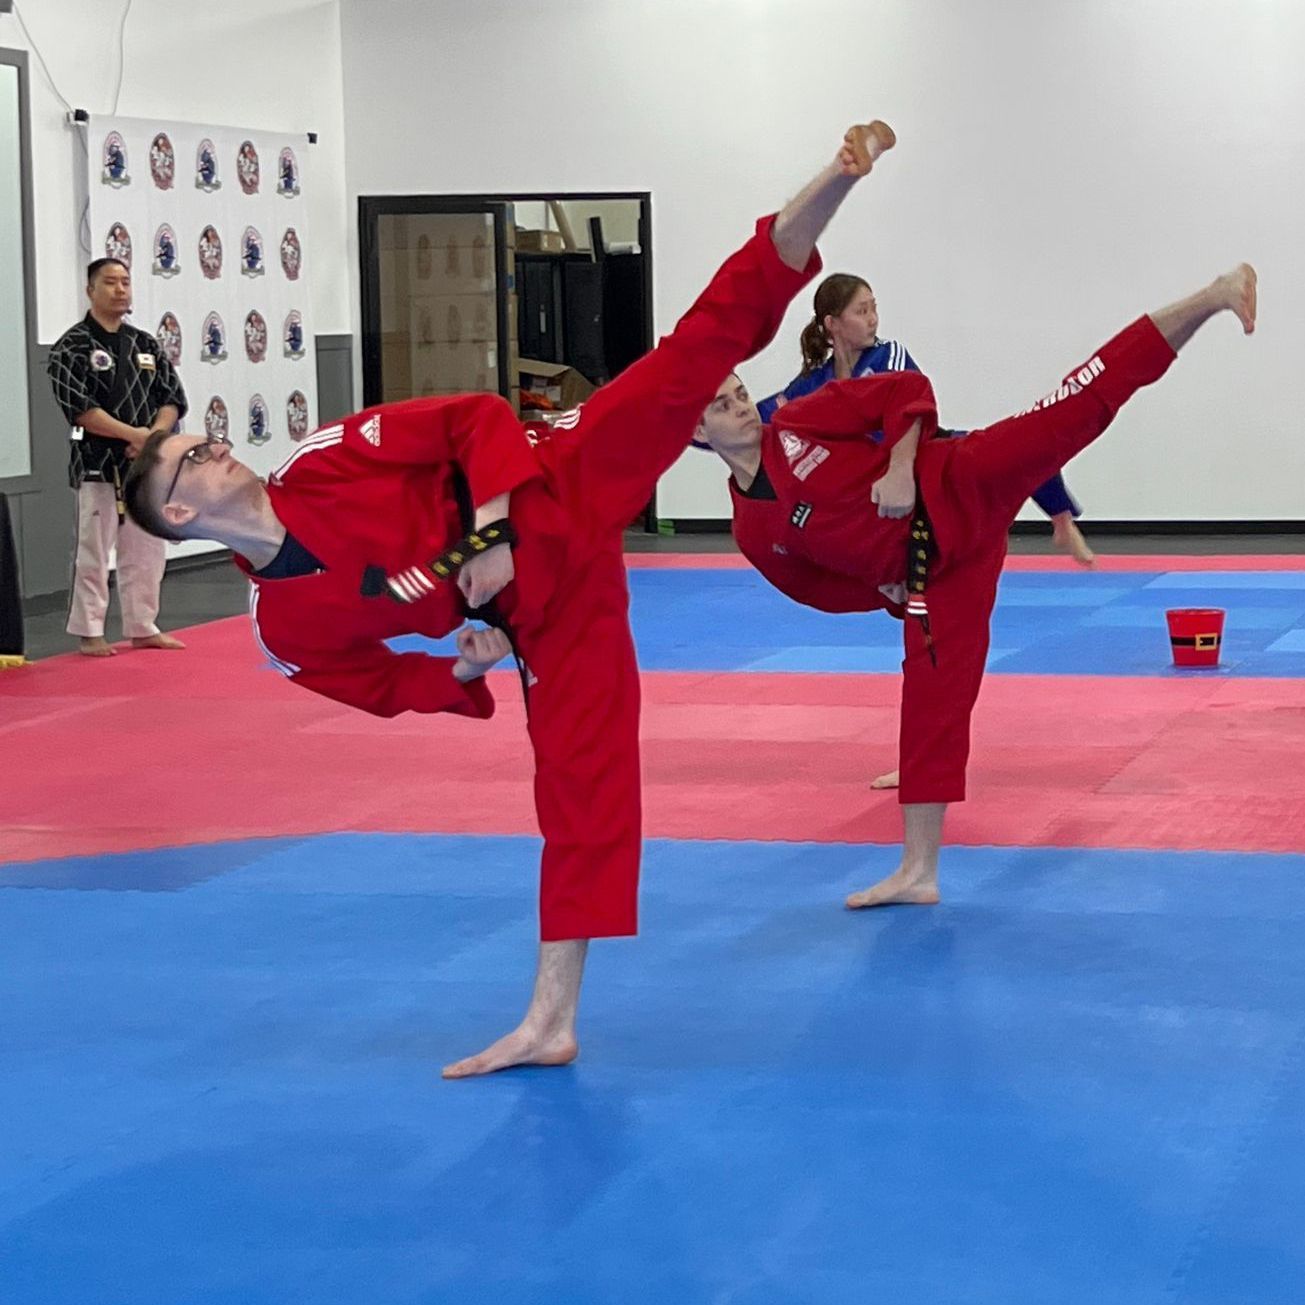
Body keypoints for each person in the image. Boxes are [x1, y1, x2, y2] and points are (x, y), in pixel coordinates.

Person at [121, 119, 899, 1079]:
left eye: (199, 439)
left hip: (555, 475)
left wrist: (488, 528)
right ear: (182, 512)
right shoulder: (285, 629)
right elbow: (376, 684)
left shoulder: (318, 461)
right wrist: (458, 667)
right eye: (188, 461)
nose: (211, 448)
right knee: (579, 787)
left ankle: (834, 175)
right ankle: (549, 1020)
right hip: (541, 613)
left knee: (703, 343)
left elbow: (474, 415)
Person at [695, 263, 1257, 912]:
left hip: (961, 479)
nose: (739, 406)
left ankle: (1211, 296)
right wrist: (884, 589)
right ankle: (917, 870)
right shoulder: (752, 528)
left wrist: (902, 467)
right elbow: (811, 588)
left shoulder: (797, 422)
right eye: (720, 404)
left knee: (1076, 406)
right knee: (929, 703)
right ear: (695, 433)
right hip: (939, 574)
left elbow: (904, 390)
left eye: (738, 392)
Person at [759, 272, 1097, 566]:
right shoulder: (815, 383)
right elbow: (761, 418)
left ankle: (1062, 521)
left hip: (932, 455)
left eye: (874, 308)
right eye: (862, 311)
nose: (873, 319)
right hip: (873, 493)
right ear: (833, 324)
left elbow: (890, 410)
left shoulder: (888, 355)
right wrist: (710, 413)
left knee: (1030, 444)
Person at [47, 257, 188, 657]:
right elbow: (80, 409)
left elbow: (173, 399)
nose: (121, 289)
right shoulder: (71, 347)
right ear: (90, 290)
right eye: (110, 282)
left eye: (126, 281)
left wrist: (153, 438)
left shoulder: (145, 344)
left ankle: (143, 624)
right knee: (93, 549)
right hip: (97, 461)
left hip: (145, 465)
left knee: (147, 548)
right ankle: (90, 630)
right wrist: (134, 435)